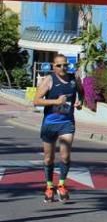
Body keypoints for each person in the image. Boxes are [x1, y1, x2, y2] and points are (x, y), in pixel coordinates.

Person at [33, 54, 83, 203]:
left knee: (65, 156)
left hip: (67, 122)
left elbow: (82, 92)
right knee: (49, 158)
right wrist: (56, 101)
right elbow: (36, 100)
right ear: (54, 66)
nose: (63, 68)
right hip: (49, 123)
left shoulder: (74, 79)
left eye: (65, 65)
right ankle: (49, 187)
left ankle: (61, 185)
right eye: (59, 65)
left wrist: (80, 102)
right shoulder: (49, 80)